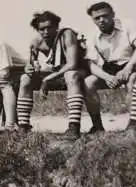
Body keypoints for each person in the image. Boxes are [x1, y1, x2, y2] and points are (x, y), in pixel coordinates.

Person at [16, 11, 88, 140]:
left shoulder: (67, 34)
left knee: (70, 75)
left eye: (49, 27)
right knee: (25, 78)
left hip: (78, 71)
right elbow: (30, 64)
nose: (46, 32)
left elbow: (72, 64)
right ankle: (23, 126)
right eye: (42, 29)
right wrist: (29, 68)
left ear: (56, 26)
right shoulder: (36, 42)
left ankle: (74, 127)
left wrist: (48, 78)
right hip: (57, 72)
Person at [83, 1, 136, 139]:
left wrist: (128, 68)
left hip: (131, 64)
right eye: (97, 18)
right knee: (88, 83)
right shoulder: (92, 35)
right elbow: (91, 64)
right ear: (93, 20)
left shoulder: (128, 24)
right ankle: (97, 126)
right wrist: (107, 77)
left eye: (105, 16)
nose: (101, 20)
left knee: (133, 80)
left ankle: (134, 127)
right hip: (109, 70)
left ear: (113, 14)